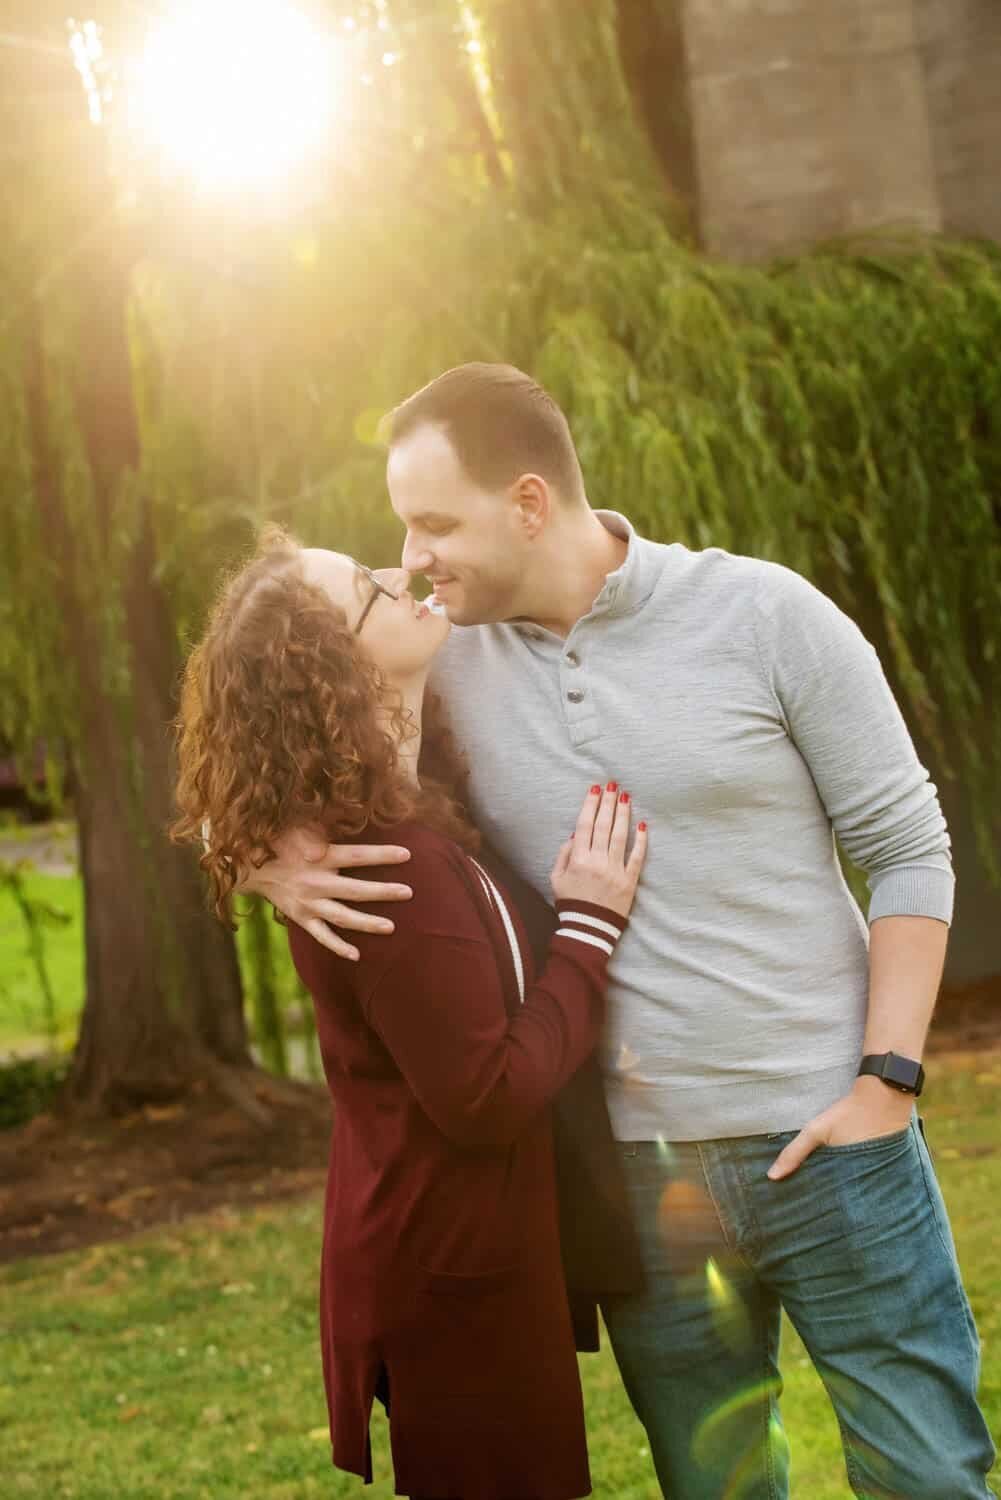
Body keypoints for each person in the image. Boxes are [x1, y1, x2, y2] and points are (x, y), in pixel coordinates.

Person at [246, 364, 997, 1499]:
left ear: (530, 503)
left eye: (433, 523)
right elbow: (267, 710)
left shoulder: (766, 614)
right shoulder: (441, 664)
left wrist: (884, 1082)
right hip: (637, 1191)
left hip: (836, 1148)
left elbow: (907, 847)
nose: (408, 559)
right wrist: (252, 852)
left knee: (928, 1476)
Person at [172, 528, 647, 1500]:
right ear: (328, 666)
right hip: (449, 1273)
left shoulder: (397, 807)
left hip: (459, 1252)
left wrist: (244, 839)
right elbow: (483, 1095)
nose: (401, 574)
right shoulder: (382, 869)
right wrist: (590, 929)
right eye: (366, 589)